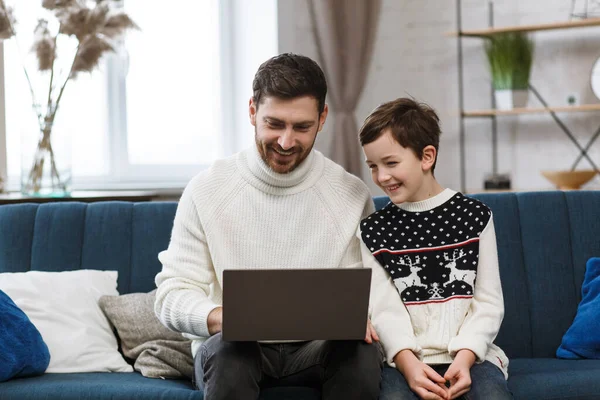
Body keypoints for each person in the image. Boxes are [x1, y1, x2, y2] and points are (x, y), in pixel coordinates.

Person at [154, 53, 383, 400]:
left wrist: (358, 318)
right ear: (252, 111)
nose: (286, 142)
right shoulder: (207, 189)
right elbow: (170, 295)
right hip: (233, 351)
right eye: (274, 124)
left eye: (301, 127)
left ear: (322, 118)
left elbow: (366, 295)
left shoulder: (351, 194)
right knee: (231, 352)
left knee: (359, 353)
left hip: (316, 351)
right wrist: (222, 318)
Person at [358, 97, 513, 400]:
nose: (381, 177)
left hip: (473, 357)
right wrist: (407, 363)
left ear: (427, 156)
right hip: (404, 361)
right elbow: (384, 310)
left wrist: (465, 357)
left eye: (391, 163)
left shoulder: (475, 217)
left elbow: (489, 302)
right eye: (373, 166)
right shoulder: (372, 230)